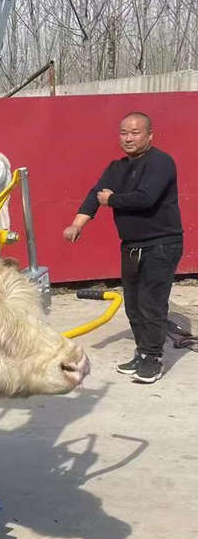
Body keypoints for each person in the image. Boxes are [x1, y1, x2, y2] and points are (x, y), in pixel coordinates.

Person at [63, 112, 182, 384]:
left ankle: (153, 359)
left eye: (135, 132)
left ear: (150, 135)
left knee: (151, 303)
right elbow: (95, 195)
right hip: (131, 246)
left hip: (161, 245)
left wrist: (112, 199)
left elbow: (146, 198)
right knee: (134, 305)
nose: (128, 138)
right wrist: (77, 224)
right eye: (124, 133)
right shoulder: (117, 167)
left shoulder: (161, 162)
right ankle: (142, 353)